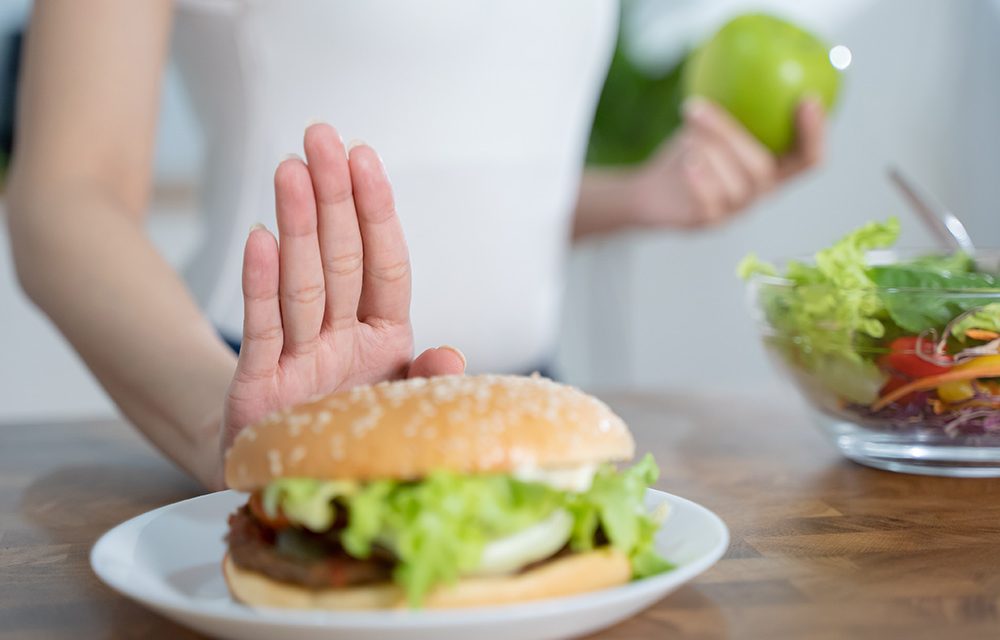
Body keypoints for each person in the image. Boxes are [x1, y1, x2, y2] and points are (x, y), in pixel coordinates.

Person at [6, 1, 823, 490]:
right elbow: (65, 193)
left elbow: (463, 175)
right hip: (249, 406)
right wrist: (229, 431)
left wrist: (641, 196)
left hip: (526, 406)